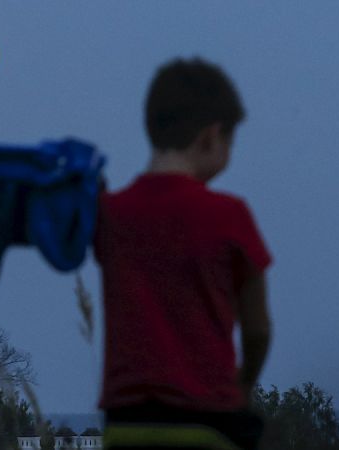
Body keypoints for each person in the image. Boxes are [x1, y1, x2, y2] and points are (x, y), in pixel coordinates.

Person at [94, 58, 272, 449]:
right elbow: (257, 330)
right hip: (207, 423)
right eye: (229, 142)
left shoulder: (109, 214)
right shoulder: (231, 216)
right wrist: (244, 384)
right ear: (211, 137)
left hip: (126, 426)